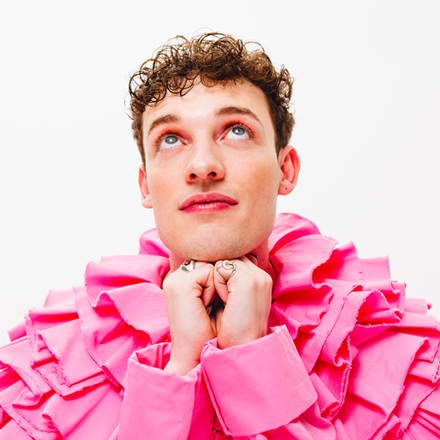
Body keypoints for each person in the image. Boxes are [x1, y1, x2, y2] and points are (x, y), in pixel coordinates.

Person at [0, 32, 439, 440]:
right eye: (171, 139)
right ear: (146, 186)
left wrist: (252, 356)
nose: (203, 166)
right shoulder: (46, 372)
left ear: (285, 170)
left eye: (236, 131)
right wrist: (181, 365)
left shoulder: (405, 358)